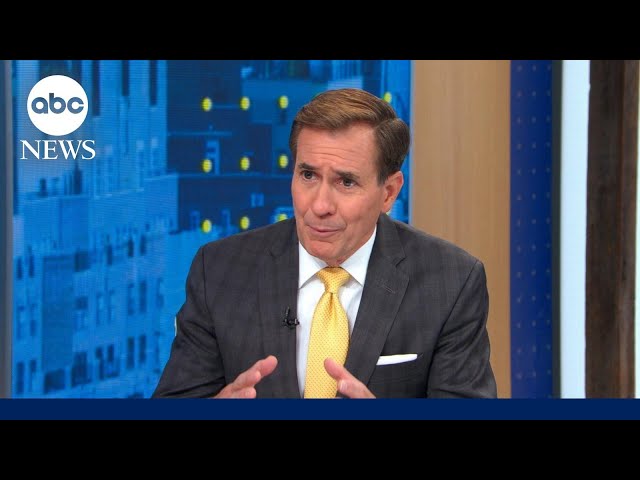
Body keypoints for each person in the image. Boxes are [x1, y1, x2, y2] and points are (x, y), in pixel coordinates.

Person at [152, 88, 497, 399]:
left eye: (346, 182)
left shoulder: (451, 283)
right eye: (308, 175)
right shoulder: (219, 270)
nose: (319, 205)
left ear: (389, 192)